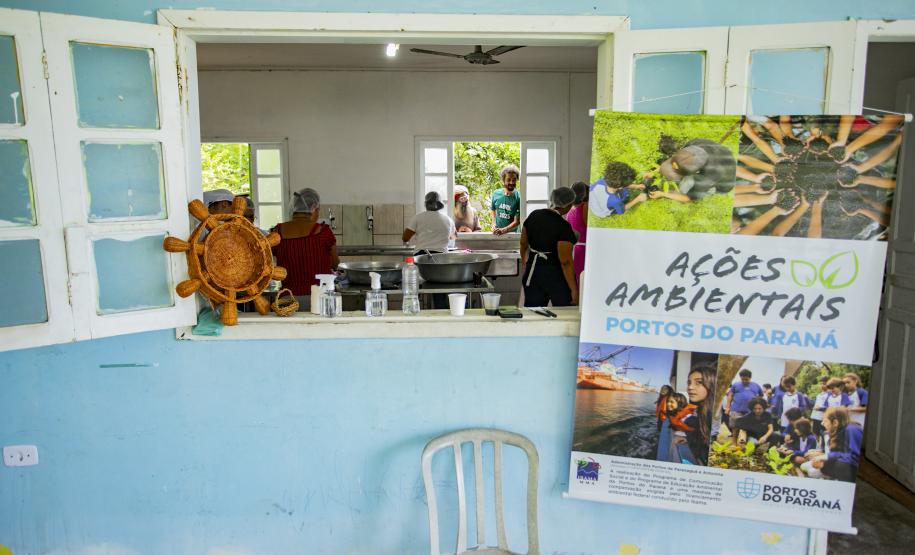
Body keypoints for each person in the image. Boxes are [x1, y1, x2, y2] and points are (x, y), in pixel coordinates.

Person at [271, 188, 338, 304]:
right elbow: (335, 263)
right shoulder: (323, 232)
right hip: (320, 300)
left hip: (288, 300)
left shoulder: (278, 231)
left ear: (294, 208)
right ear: (313, 209)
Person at [519, 187, 578, 307]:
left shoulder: (534, 215)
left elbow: (523, 242)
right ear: (568, 205)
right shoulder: (563, 226)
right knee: (564, 314)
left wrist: (525, 262)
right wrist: (574, 289)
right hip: (554, 275)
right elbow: (565, 261)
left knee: (533, 314)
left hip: (533, 273)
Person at [655, 138, 738, 202]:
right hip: (719, 156)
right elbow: (677, 161)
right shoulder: (693, 144)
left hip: (722, 184)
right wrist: (656, 171)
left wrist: (663, 194)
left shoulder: (710, 175)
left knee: (686, 185)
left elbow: (689, 199)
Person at [809, 407, 863, 482]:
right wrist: (821, 462)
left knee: (841, 465)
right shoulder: (838, 432)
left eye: (825, 421)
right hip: (847, 469)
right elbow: (839, 454)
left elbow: (855, 458)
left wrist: (828, 456)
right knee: (824, 466)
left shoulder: (852, 429)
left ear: (835, 423)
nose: (822, 424)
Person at [402, 191, 456, 255]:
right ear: (440, 205)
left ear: (426, 204)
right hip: (442, 256)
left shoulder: (417, 218)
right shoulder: (448, 220)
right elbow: (453, 237)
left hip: (421, 255)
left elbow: (405, 238)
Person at [683, 364, 717, 465]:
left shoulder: (712, 414)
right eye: (689, 383)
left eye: (699, 382)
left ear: (712, 384)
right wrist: (687, 439)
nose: (690, 387)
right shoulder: (701, 410)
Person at [565, 181, 589, 285]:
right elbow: (590, 228)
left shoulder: (570, 210)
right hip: (583, 249)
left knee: (576, 280)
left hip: (573, 249)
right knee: (584, 281)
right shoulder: (584, 207)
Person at [724, 369, 764, 433]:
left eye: (746, 379)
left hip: (750, 410)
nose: (744, 381)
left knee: (748, 428)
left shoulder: (756, 386)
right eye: (742, 379)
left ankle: (745, 441)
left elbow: (761, 395)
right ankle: (734, 442)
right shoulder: (735, 385)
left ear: (750, 378)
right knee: (735, 427)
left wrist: (756, 399)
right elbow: (730, 395)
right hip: (736, 410)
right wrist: (727, 407)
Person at [490, 164, 521, 235]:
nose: (511, 182)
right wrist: (493, 224)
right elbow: (493, 209)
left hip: (512, 235)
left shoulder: (519, 197)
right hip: (497, 233)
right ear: (503, 180)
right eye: (508, 180)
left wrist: (503, 230)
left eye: (514, 180)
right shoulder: (496, 194)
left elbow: (517, 221)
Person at [810, 376, 830, 445]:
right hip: (815, 416)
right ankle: (817, 445)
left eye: (824, 384)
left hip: (822, 417)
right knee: (815, 432)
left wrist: (820, 408)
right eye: (821, 384)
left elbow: (828, 407)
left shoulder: (829, 394)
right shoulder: (819, 394)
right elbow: (815, 403)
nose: (822, 385)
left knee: (822, 433)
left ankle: (822, 447)